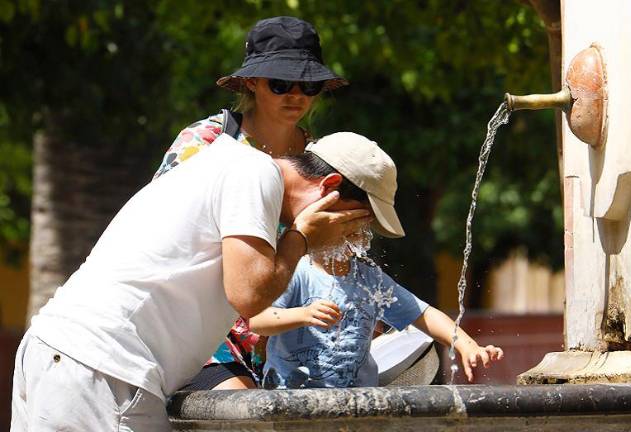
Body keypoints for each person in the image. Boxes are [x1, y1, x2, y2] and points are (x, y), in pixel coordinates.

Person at [11, 131, 385, 431]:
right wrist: (301, 239)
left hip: (67, 356)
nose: (353, 238)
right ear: (329, 186)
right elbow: (249, 296)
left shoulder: (228, 164)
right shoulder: (254, 173)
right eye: (358, 222)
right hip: (102, 369)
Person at [153, 16, 348, 391]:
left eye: (308, 85)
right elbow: (159, 232)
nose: (296, 95)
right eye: (280, 83)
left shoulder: (314, 156)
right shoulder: (207, 142)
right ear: (252, 82)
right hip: (198, 328)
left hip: (274, 337)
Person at [252, 134, 504, 388]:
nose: (358, 230)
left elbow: (423, 313)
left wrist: (466, 343)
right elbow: (258, 320)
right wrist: (302, 315)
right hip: (289, 403)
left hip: (356, 406)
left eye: (365, 224)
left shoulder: (368, 279)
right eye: (349, 221)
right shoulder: (296, 269)